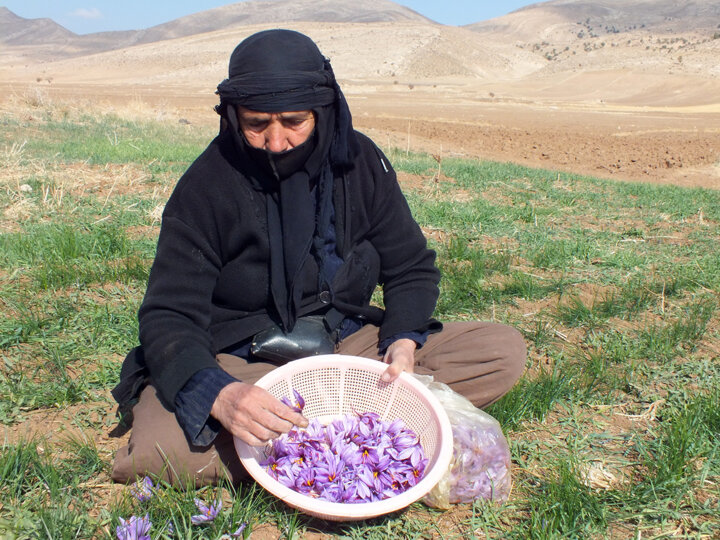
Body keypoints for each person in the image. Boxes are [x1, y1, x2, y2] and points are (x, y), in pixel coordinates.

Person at [110, 29, 526, 486]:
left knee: (499, 352)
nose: (275, 140)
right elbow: (168, 315)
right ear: (231, 116)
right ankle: (345, 425)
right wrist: (224, 396)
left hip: (344, 344)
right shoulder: (207, 186)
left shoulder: (361, 162)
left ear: (322, 111)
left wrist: (403, 339)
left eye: (293, 120)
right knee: (160, 454)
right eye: (255, 123)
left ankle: (311, 428)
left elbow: (410, 266)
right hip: (243, 358)